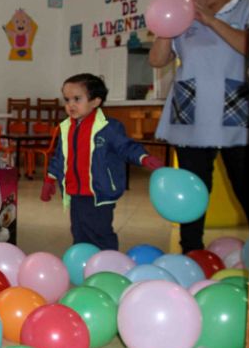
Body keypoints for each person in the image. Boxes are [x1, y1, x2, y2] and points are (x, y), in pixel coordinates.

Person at [149, 0, 249, 253]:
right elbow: (157, 60)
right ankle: (191, 254)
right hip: (190, 114)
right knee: (193, 190)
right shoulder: (184, 15)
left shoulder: (244, 8)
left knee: (245, 186)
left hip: (235, 113)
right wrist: (168, 26)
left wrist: (210, 20)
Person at [40, 73, 163, 250]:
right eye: (67, 100)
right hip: (75, 191)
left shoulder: (108, 127)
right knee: (79, 231)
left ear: (96, 101)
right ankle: (84, 265)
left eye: (77, 99)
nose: (70, 105)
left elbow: (126, 146)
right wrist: (50, 179)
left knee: (99, 232)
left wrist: (144, 157)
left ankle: (108, 265)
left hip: (99, 192)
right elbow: (59, 157)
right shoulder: (66, 127)